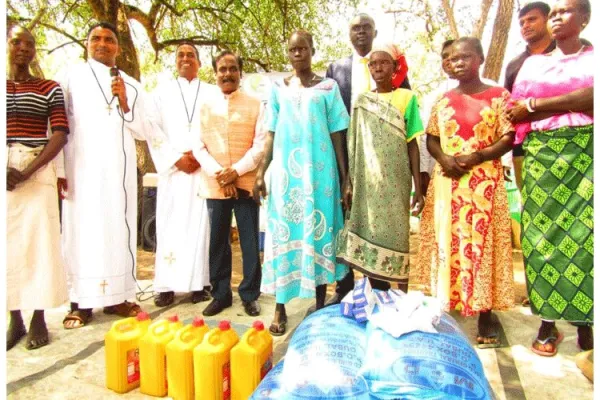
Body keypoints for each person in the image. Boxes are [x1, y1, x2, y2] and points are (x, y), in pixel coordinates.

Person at [415, 37, 515, 348]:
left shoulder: (499, 96)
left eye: (465, 57)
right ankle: (448, 303)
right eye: (451, 59)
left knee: (482, 246)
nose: (457, 63)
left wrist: (478, 156)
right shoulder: (442, 100)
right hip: (448, 183)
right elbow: (432, 138)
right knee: (449, 243)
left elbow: (509, 137)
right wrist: (444, 159)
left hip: (484, 183)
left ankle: (485, 312)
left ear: (480, 58)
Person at [507, 0, 593, 357]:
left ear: (585, 18)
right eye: (554, 12)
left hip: (587, 154)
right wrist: (557, 105)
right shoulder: (532, 65)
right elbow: (514, 110)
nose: (557, 18)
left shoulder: (594, 59)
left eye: (565, 11)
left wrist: (537, 105)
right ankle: (547, 323)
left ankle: (587, 324)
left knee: (586, 235)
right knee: (541, 237)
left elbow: (593, 96)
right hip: (540, 156)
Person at [254, 31, 350, 336]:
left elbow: (338, 134)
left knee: (319, 234)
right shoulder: (277, 90)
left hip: (321, 178)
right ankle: (280, 308)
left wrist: (346, 179)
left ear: (312, 50)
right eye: (293, 49)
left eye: (303, 48)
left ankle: (319, 305)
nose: (298, 53)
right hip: (285, 179)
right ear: (288, 52)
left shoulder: (328, 87)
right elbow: (270, 132)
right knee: (284, 236)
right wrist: (260, 172)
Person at [59, 22, 147, 329]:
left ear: (118, 48)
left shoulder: (132, 84)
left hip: (117, 175)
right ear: (86, 44)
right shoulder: (70, 77)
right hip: (80, 169)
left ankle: (118, 297)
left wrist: (124, 101)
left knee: (116, 231)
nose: (102, 43)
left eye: (109, 39)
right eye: (95, 38)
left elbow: (143, 129)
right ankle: (80, 302)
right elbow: (56, 126)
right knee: (82, 233)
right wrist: (59, 170)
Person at [325, 13, 411, 303]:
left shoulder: (390, 67)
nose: (360, 32)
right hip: (343, 156)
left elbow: (404, 120)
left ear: (375, 32)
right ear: (349, 33)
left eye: (366, 28)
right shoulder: (336, 69)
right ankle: (344, 287)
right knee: (345, 216)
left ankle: (379, 287)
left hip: (379, 161)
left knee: (378, 220)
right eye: (355, 28)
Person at [336, 43, 424, 293]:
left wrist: (418, 187)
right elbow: (353, 144)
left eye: (384, 62)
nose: (377, 68)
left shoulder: (407, 98)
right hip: (368, 184)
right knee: (371, 233)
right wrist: (349, 181)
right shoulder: (362, 102)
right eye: (373, 63)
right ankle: (380, 293)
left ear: (395, 67)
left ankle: (402, 297)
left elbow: (413, 143)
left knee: (398, 236)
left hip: (396, 183)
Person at [6, 25, 69, 350]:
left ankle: (38, 317)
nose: (24, 48)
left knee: (41, 246)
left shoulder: (49, 88)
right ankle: (14, 318)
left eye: (30, 44)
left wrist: (27, 170)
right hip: (5, 174)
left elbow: (59, 133)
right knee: (9, 249)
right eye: (17, 41)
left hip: (37, 169)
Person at [195, 50, 265, 317]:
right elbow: (198, 146)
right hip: (215, 184)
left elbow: (260, 145)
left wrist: (235, 172)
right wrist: (220, 175)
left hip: (245, 183)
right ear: (215, 74)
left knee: (249, 241)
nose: (227, 73)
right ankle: (221, 294)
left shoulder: (256, 104)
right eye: (222, 69)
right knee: (218, 242)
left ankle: (249, 295)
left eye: (232, 68)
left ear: (240, 72)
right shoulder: (205, 106)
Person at [146, 42, 211, 307]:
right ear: (175, 61)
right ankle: (166, 286)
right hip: (173, 172)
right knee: (169, 227)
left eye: (191, 55)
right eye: (180, 55)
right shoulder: (160, 93)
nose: (185, 58)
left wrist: (200, 156)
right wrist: (175, 159)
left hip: (201, 169)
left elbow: (219, 127)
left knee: (200, 228)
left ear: (199, 62)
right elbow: (152, 129)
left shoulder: (211, 91)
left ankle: (199, 285)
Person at [504, 1, 555, 192]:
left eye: (532, 19)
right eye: (522, 22)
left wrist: (532, 107)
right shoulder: (514, 65)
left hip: (572, 142)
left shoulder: (572, 53)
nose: (525, 25)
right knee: (531, 205)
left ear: (548, 19)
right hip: (524, 148)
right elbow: (509, 111)